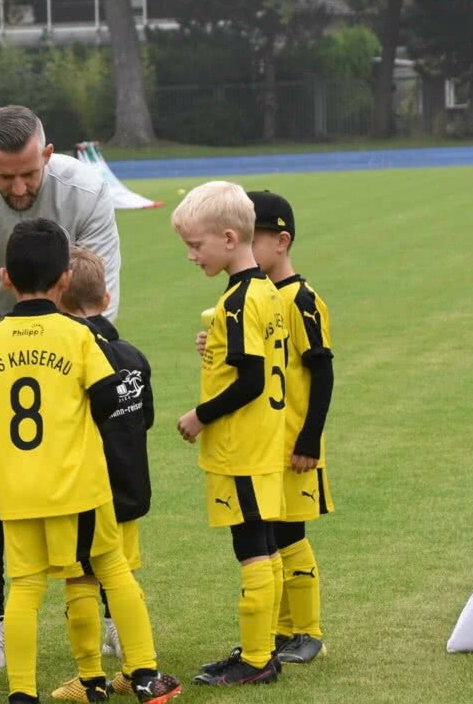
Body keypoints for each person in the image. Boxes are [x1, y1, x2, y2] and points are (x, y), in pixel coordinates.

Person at [0, 105, 121, 669]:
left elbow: (97, 290)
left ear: (48, 153)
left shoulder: (84, 192)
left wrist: (51, 347)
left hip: (72, 350)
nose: (17, 186)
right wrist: (1, 345)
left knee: (90, 470)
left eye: (28, 174)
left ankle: (106, 611)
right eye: (4, 174)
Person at [0, 218, 180, 704]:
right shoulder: (78, 337)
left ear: (5, 277)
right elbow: (107, 405)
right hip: (78, 487)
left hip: (18, 493)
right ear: (64, 280)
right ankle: (144, 674)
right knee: (112, 569)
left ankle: (22, 692)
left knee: (23, 589)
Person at [172, 181, 286, 687]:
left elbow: (252, 380)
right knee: (265, 543)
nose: (192, 256)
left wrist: (200, 414)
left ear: (227, 237)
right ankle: (266, 647)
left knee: (252, 548)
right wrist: (215, 343)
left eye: (196, 246)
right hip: (265, 442)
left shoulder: (241, 301)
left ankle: (257, 659)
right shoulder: (261, 289)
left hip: (242, 446)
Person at [49, 246, 155, 702]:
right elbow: (144, 417)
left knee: (82, 578)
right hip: (132, 486)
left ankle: (89, 679)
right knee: (124, 576)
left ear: (58, 299)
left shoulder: (72, 355)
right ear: (106, 295)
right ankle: (136, 667)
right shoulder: (132, 354)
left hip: (89, 491)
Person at [246, 191, 335, 665]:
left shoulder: (302, 299)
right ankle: (281, 630)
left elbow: (322, 371)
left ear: (281, 241)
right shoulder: (257, 298)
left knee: (290, 536)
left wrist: (308, 439)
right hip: (263, 445)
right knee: (268, 537)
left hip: (294, 445)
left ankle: (309, 631)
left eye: (250, 239)